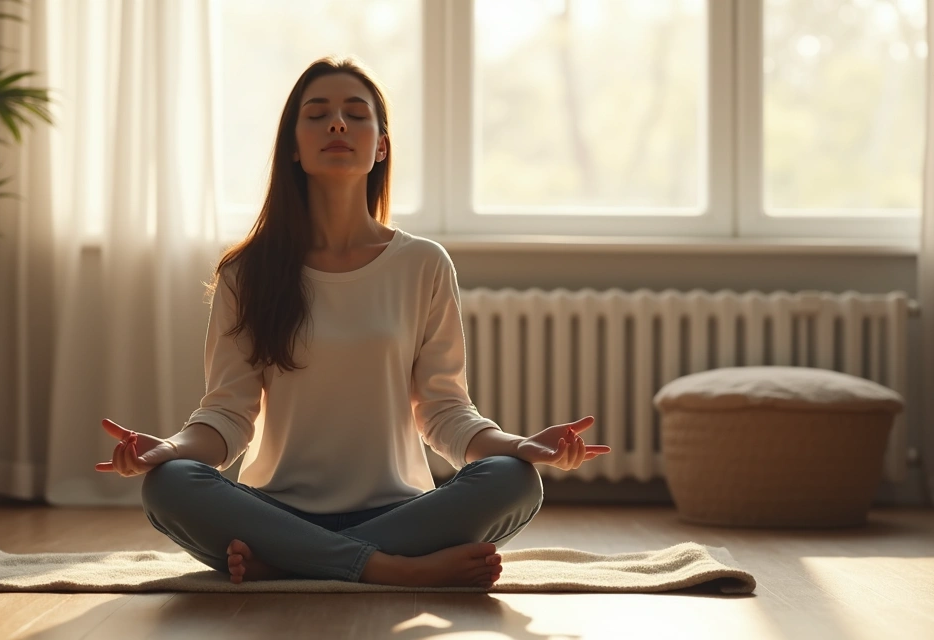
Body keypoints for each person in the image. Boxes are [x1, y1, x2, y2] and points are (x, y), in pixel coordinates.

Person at [94, 55, 611, 590]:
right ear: (293, 147)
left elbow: (445, 411)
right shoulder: (246, 271)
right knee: (168, 485)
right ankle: (388, 569)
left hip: (399, 512)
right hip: (275, 511)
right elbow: (227, 415)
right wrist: (169, 450)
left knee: (515, 481)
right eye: (317, 114)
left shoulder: (423, 264)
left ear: (381, 145)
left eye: (355, 114)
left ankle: (297, 565)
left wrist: (519, 446)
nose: (337, 123)